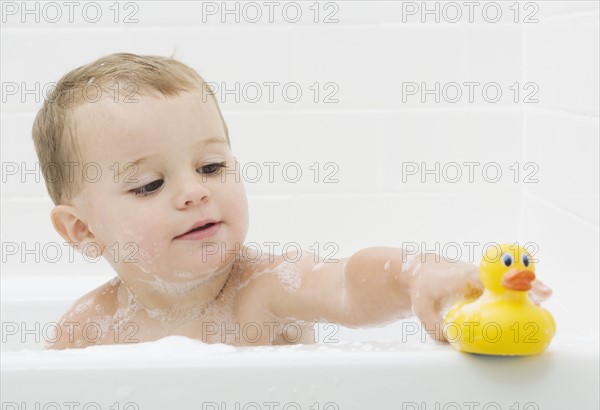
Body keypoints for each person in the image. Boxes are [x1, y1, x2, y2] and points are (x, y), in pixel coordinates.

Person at [32, 53, 552, 349]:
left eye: (212, 166)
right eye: (149, 185)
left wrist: (418, 273)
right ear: (83, 231)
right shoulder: (87, 328)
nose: (195, 192)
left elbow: (348, 282)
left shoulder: (260, 289)